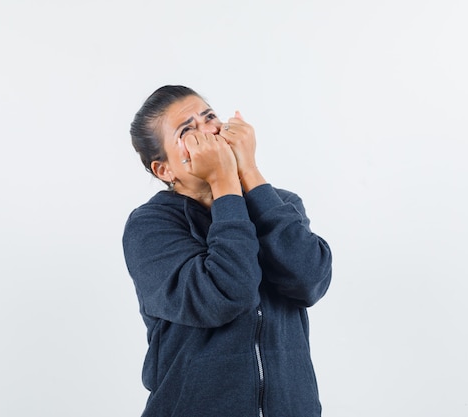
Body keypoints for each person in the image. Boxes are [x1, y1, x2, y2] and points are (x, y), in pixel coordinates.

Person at [122, 85, 332, 417]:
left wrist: (249, 173)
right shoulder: (150, 226)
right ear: (164, 170)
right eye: (187, 130)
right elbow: (225, 295)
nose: (208, 132)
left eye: (209, 118)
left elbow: (310, 280)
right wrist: (224, 184)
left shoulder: (277, 203)